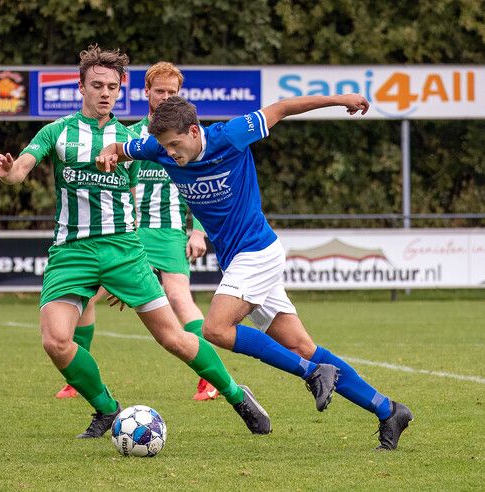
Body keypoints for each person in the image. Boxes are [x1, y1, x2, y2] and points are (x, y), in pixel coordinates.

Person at [0, 45, 336, 438]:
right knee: (56, 340)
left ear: (121, 90)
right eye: (97, 85)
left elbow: (194, 172)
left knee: (174, 337)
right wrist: (7, 172)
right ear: (81, 86)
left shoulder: (137, 138)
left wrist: (194, 230)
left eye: (112, 87)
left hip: (124, 250)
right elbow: (21, 170)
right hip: (71, 252)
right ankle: (105, 408)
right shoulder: (57, 131)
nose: (105, 93)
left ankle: (236, 394)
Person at [97, 94, 413, 450]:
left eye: (174, 144)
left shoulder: (230, 135)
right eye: (164, 146)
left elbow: (281, 108)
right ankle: (388, 410)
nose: (170, 153)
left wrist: (341, 100)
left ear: (194, 130)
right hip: (239, 261)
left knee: (215, 328)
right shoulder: (156, 148)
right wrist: (110, 152)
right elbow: (120, 147)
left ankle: (312, 374)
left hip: (257, 252)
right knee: (302, 346)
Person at [56, 62, 218, 402]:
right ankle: (76, 376)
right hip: (130, 231)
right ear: (146, 92)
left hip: (170, 229)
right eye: (159, 91)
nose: (165, 97)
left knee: (178, 296)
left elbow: (200, 183)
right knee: (86, 291)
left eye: (172, 92)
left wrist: (198, 231)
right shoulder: (126, 137)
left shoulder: (186, 136)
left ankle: (209, 380)